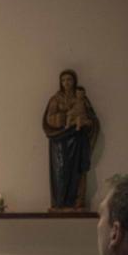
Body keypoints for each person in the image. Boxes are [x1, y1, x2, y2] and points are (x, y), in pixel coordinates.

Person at [42, 69, 100, 209]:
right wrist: (60, 119)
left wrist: (86, 122)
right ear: (60, 82)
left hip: (78, 139)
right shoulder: (55, 99)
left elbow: (91, 119)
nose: (66, 83)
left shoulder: (81, 98)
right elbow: (49, 119)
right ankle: (60, 203)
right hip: (60, 141)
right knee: (60, 171)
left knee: (77, 172)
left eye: (69, 80)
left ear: (74, 81)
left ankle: (77, 202)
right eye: (63, 80)